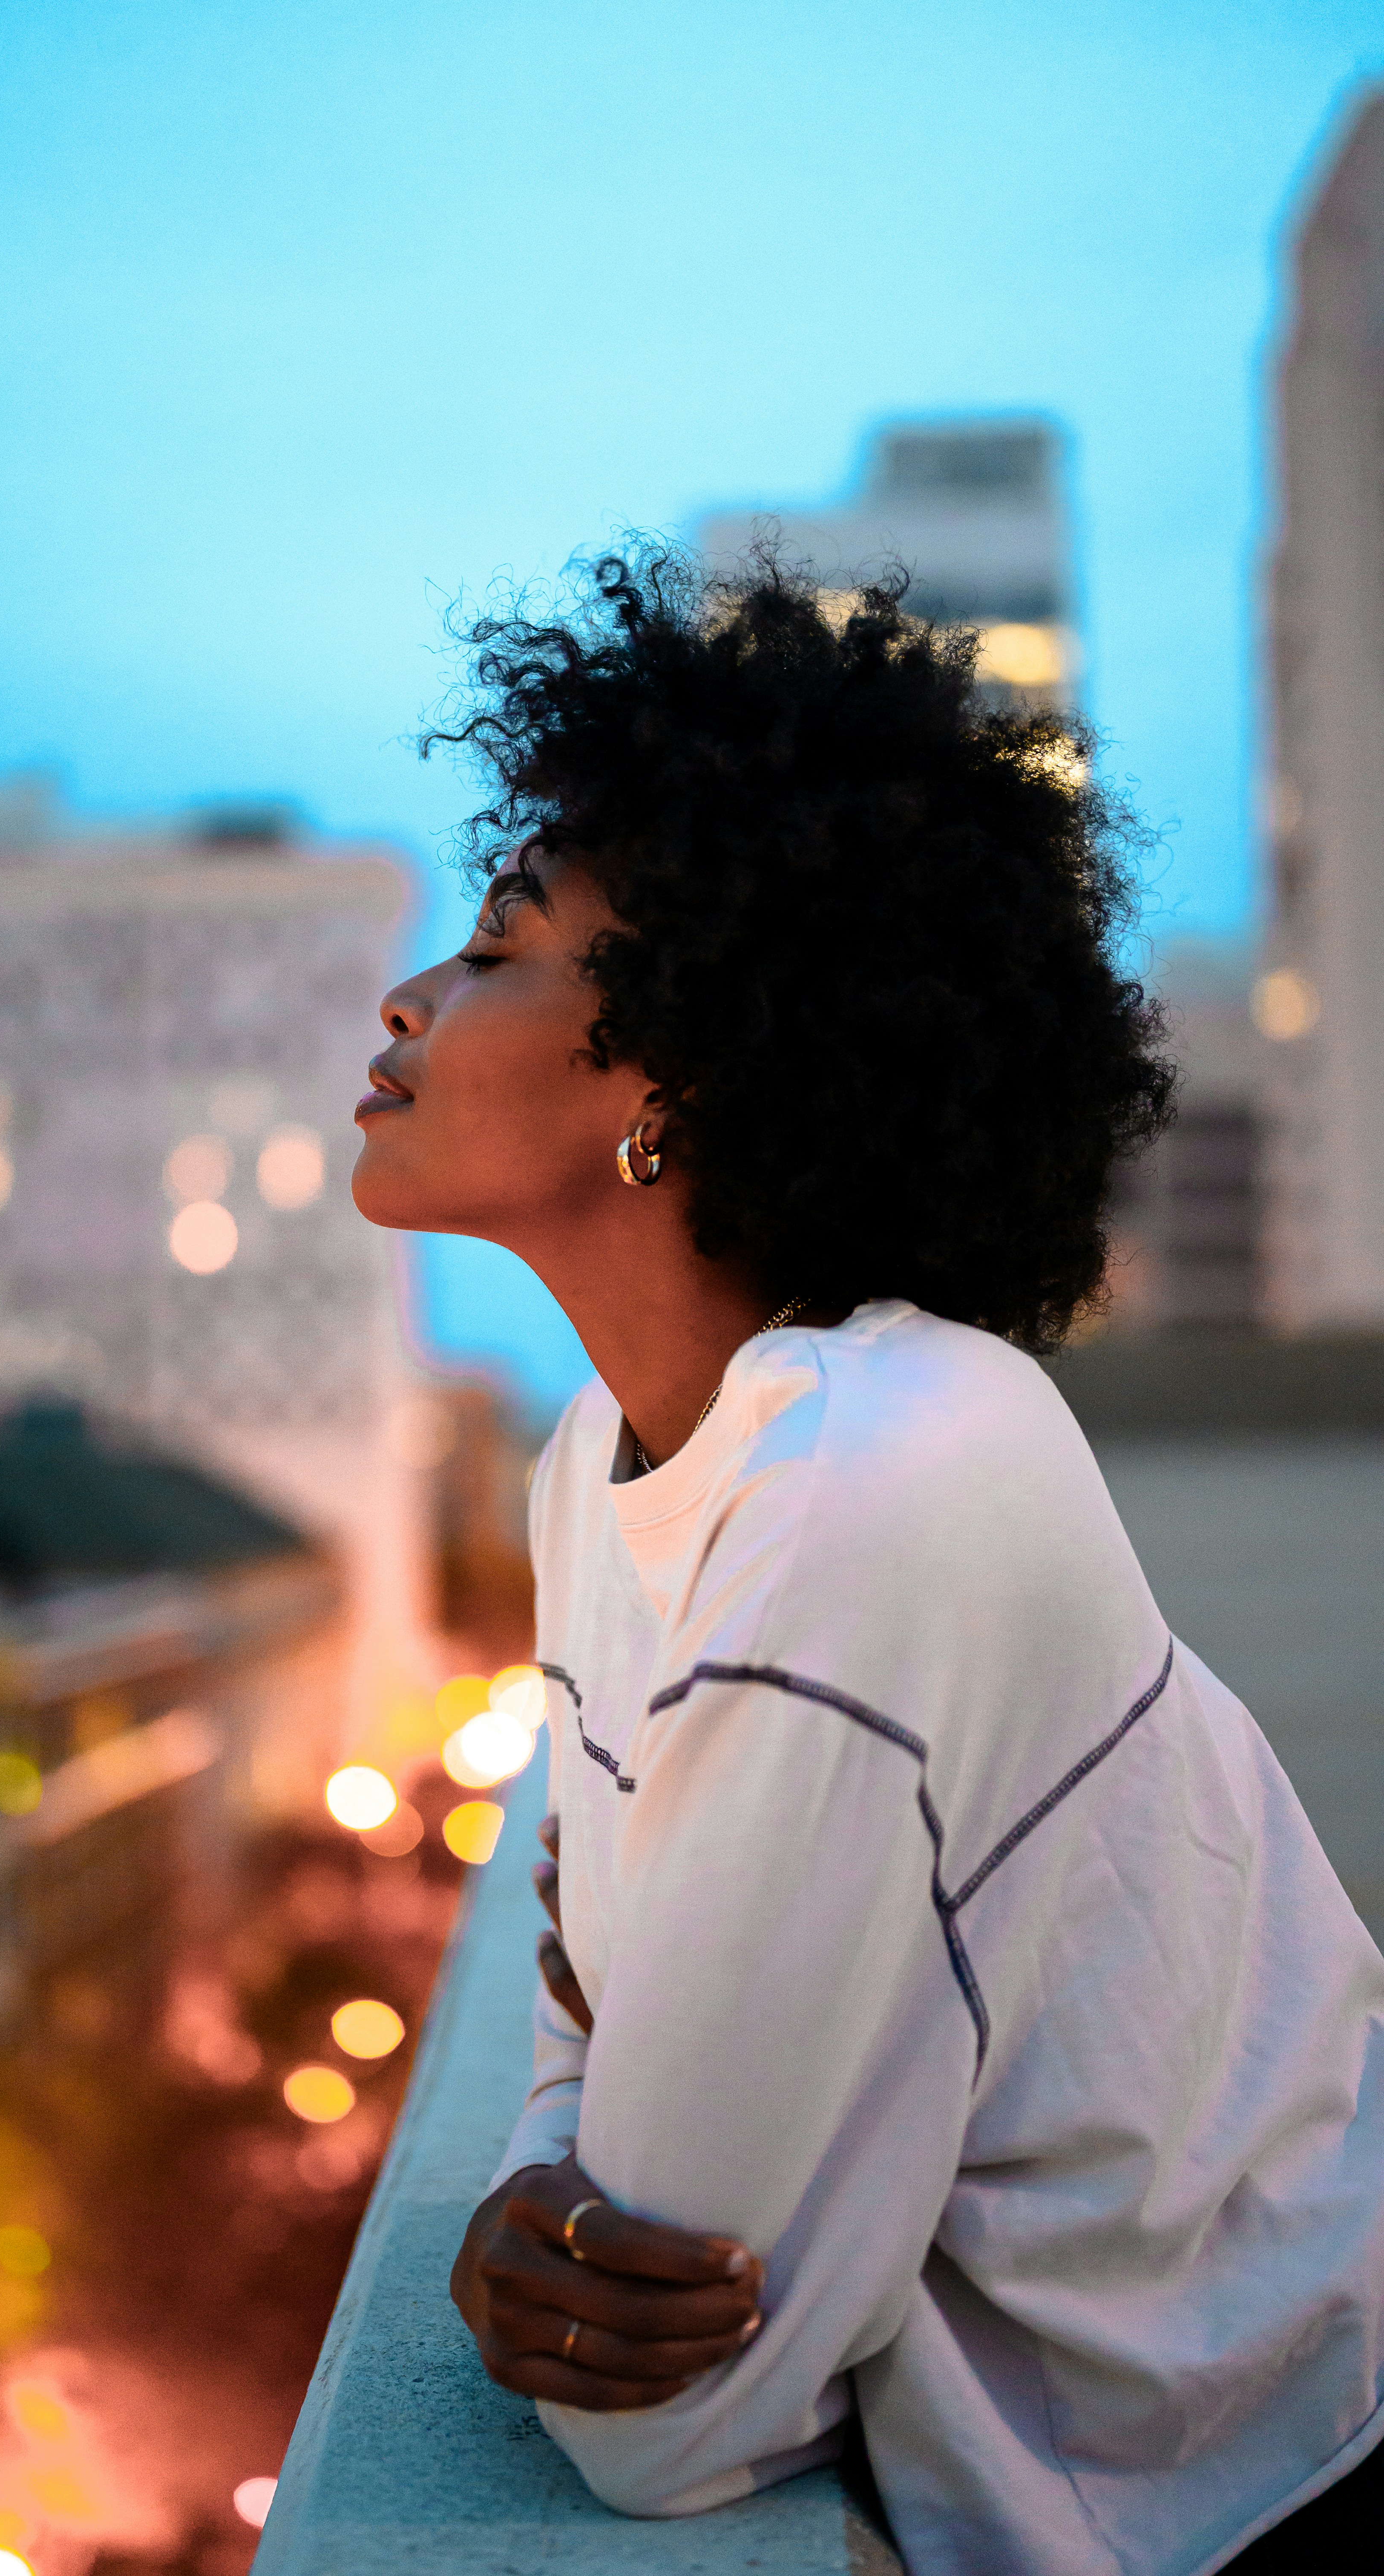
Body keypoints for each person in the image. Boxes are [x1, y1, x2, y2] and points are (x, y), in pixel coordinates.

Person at [349, 549, 1384, 2575]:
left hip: (1283, 2478)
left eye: (497, 948)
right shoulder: (608, 1463)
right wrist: (549, 2191)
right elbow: (589, 1981)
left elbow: (676, 2432)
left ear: (674, 1075)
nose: (407, 998)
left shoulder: (874, 1487)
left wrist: (563, 2226)